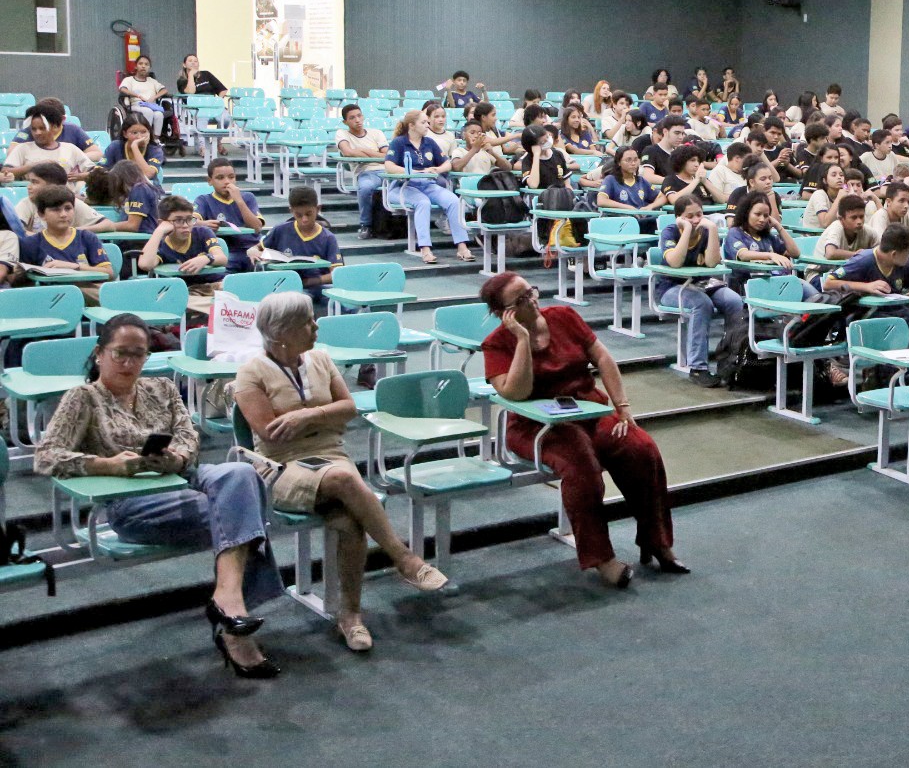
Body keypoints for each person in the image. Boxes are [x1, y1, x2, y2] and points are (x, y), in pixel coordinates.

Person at [34, 316, 284, 676]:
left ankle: (228, 601)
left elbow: (188, 437)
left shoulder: (162, 389)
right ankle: (235, 629)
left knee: (242, 474)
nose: (129, 363)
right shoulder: (84, 398)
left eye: (138, 355)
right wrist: (107, 465)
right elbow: (47, 456)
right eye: (120, 354)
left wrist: (176, 457)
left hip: (184, 480)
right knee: (246, 508)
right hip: (133, 505)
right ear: (99, 354)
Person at [235, 292, 448, 650]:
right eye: (307, 322)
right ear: (282, 332)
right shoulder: (251, 373)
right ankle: (404, 558)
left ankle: (350, 616)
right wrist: (326, 414)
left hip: (330, 454)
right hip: (280, 467)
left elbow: (348, 407)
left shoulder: (321, 358)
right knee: (345, 478)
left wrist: (309, 415)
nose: (315, 327)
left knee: (350, 522)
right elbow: (270, 432)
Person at [481, 272, 683, 586]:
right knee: (581, 464)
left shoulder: (564, 316)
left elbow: (602, 357)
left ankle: (656, 540)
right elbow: (516, 392)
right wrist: (521, 340)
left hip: (586, 408)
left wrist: (622, 407)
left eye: (530, 291)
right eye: (519, 300)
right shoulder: (496, 344)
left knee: (639, 447)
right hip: (535, 424)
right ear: (501, 313)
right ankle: (601, 557)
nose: (532, 300)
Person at [657, 197, 744, 386]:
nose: (696, 220)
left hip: (702, 284)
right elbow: (675, 262)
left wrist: (712, 229)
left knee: (734, 300)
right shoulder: (669, 232)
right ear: (678, 217)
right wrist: (687, 230)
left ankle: (731, 360)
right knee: (701, 304)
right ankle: (698, 368)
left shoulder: (706, 231)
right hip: (672, 288)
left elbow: (712, 263)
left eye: (699, 214)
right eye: (689, 216)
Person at [822, 222, 909, 350]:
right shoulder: (863, 260)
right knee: (907, 323)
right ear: (894, 254)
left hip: (896, 310)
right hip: (865, 314)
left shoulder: (904, 262)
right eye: (908, 252)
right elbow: (829, 283)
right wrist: (866, 287)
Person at [383, 110, 474, 265]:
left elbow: (447, 163)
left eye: (427, 122)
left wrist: (437, 170)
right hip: (402, 187)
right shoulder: (398, 142)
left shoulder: (429, 142)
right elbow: (388, 165)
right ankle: (425, 249)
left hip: (427, 184)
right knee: (423, 203)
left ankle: (462, 247)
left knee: (453, 200)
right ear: (411, 125)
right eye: (423, 122)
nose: (427, 125)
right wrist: (410, 172)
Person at [18, 186, 114, 299]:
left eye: (68, 208)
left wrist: (74, 267)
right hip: (49, 297)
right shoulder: (30, 243)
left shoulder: (87, 237)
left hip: (87, 294)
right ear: (41, 214)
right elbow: (22, 281)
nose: (63, 214)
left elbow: (109, 273)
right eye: (56, 210)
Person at [137, 195, 226, 314]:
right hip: (183, 291)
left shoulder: (203, 232)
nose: (185, 225)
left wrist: (206, 258)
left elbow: (222, 258)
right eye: (178, 220)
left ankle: (218, 307)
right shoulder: (160, 243)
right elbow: (145, 264)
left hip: (212, 285)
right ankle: (218, 308)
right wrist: (159, 231)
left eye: (189, 219)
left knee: (233, 291)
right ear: (163, 223)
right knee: (177, 301)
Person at [260, 187, 345, 305]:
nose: (304, 219)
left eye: (309, 214)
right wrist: (253, 251)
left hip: (320, 286)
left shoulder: (328, 238)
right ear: (291, 211)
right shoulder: (280, 230)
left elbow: (336, 273)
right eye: (298, 215)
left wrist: (309, 281)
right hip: (287, 287)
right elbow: (257, 248)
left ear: (318, 209)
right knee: (295, 303)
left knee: (345, 304)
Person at [722, 193, 811, 296]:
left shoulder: (767, 237)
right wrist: (770, 255)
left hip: (776, 282)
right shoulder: (735, 233)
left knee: (809, 292)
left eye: (766, 216)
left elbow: (795, 253)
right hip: (749, 285)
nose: (762, 220)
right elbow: (743, 255)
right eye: (757, 214)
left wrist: (778, 227)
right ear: (746, 213)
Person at [193, 158, 265, 271]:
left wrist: (239, 201)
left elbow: (256, 227)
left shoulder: (248, 197)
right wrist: (203, 223)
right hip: (224, 251)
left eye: (231, 177)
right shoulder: (203, 200)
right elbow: (190, 221)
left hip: (251, 249)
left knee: (262, 268)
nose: (227, 182)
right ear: (209, 180)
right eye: (220, 178)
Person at [335, 103, 390, 241]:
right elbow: (347, 152)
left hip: (387, 171)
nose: (357, 120)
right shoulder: (342, 134)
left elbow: (388, 156)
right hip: (365, 172)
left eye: (359, 116)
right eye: (352, 118)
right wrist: (375, 154)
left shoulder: (376, 133)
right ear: (345, 122)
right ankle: (366, 225)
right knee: (365, 188)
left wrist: (365, 152)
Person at [3, 105, 94, 181]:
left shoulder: (70, 149)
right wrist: (33, 166)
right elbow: (5, 171)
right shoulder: (22, 148)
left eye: (42, 128)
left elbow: (96, 172)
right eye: (33, 129)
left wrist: (82, 176)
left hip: (66, 198)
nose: (37, 133)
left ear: (55, 127)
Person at [13, 162, 100, 233]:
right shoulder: (27, 203)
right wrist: (46, 239)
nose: (29, 187)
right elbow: (16, 231)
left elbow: (109, 224)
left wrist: (73, 232)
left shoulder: (71, 203)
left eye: (35, 182)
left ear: (53, 186)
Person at [9, 98, 102, 163]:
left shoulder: (73, 130)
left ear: (62, 119)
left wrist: (73, 158)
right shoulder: (27, 132)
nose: (38, 132)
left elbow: (97, 154)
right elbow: (12, 155)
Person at [597, 144, 666, 217]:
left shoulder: (641, 181)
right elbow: (601, 201)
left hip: (641, 220)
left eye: (635, 160)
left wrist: (650, 206)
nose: (633, 163)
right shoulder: (610, 179)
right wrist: (628, 208)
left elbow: (662, 196)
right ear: (619, 162)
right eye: (628, 160)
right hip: (620, 221)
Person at [117, 55, 172, 140]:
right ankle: (146, 137)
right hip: (137, 104)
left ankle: (156, 138)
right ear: (136, 66)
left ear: (149, 67)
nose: (143, 66)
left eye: (146, 64)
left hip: (151, 105)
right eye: (140, 64)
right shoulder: (129, 80)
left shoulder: (152, 81)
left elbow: (164, 90)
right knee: (148, 111)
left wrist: (154, 97)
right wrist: (137, 95)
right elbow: (122, 89)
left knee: (159, 114)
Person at [102, 112, 165, 182]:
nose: (139, 137)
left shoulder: (155, 150)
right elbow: (100, 169)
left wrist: (135, 148)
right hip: (120, 190)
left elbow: (148, 174)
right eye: (134, 133)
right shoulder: (115, 147)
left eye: (144, 132)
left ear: (149, 132)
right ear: (125, 134)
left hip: (148, 190)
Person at [817, 194, 875, 261]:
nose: (859, 221)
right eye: (854, 217)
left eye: (861, 217)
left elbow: (881, 250)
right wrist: (856, 254)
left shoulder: (867, 230)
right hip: (820, 270)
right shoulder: (836, 227)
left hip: (845, 270)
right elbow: (830, 253)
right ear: (841, 219)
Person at [801, 162, 847, 230]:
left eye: (841, 175)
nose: (839, 177)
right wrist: (839, 198)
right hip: (813, 236)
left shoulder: (843, 194)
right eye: (834, 175)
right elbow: (824, 223)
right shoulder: (819, 194)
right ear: (825, 180)